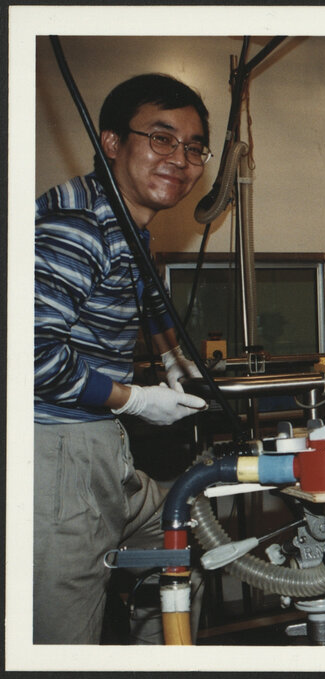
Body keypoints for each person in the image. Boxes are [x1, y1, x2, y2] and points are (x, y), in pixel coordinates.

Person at [34, 73, 212, 644]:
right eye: (161, 139)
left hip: (100, 452)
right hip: (56, 455)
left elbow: (145, 294)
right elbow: (32, 358)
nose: (179, 159)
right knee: (62, 639)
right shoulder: (78, 228)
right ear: (111, 141)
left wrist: (172, 358)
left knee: (180, 543)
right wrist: (137, 399)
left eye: (193, 147)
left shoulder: (122, 224)